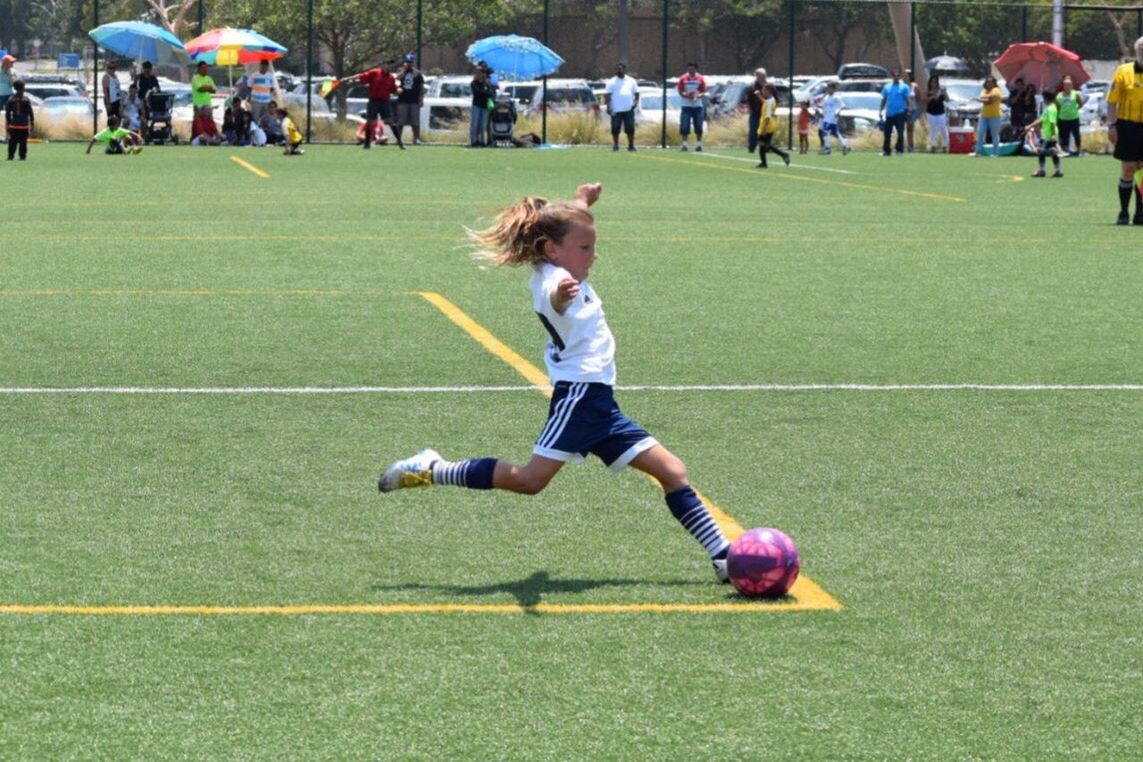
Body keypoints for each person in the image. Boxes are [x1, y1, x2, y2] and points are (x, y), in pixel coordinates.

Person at [377, 182, 734, 584]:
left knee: (672, 471)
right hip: (579, 397)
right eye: (585, 249)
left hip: (601, 403)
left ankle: (723, 557)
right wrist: (564, 294)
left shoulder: (560, 254)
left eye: (592, 247)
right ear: (551, 250)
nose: (593, 255)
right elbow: (555, 299)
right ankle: (431, 468)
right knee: (530, 481)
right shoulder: (551, 283)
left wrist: (583, 201)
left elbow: (572, 226)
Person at [1106, 35, 1143, 225]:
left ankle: (1140, 213)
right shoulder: (1123, 72)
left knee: (1142, 171)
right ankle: (1123, 212)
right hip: (1127, 126)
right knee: (1129, 168)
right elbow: (1112, 102)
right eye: (1142, 50)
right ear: (1137, 51)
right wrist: (1111, 125)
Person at [341, 58, 404, 149]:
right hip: (373, 101)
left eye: (390, 64)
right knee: (370, 122)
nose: (388, 66)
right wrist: (348, 78)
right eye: (387, 64)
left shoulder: (390, 78)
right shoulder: (375, 72)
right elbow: (361, 76)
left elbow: (393, 90)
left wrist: (399, 90)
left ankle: (400, 143)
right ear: (382, 64)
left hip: (384, 102)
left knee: (390, 121)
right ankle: (367, 144)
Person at [1025, 89, 1063, 179]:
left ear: (1046, 98)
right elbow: (1041, 119)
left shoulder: (1050, 109)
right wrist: (1030, 125)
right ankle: (1058, 170)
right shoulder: (1050, 107)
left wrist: (1053, 134)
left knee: (1041, 151)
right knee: (1051, 152)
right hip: (1047, 133)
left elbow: (1052, 122)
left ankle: (1042, 170)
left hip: (1049, 134)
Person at [603, 62, 639, 152]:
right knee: (615, 128)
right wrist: (608, 107)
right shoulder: (611, 82)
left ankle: (631, 146)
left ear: (624, 69)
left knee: (630, 128)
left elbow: (637, 93)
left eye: (621, 69)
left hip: (628, 109)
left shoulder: (631, 81)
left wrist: (635, 102)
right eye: (617, 69)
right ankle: (615, 145)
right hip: (616, 109)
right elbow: (607, 95)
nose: (619, 70)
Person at [756, 82, 790, 168]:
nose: (763, 91)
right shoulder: (770, 100)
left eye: (764, 90)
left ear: (769, 91)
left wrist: (763, 129)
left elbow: (767, 117)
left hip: (767, 126)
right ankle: (783, 155)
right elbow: (765, 103)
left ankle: (764, 163)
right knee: (765, 145)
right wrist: (759, 96)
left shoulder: (770, 102)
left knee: (762, 144)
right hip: (770, 126)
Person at [395, 53, 425, 145]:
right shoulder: (401, 72)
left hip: (414, 100)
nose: (409, 64)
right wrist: (404, 70)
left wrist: (421, 99)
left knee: (415, 121)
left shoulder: (417, 73)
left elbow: (421, 87)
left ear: (413, 63)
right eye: (407, 62)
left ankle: (416, 139)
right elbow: (396, 80)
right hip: (403, 100)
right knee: (401, 121)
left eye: (410, 62)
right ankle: (398, 139)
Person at [879, 69, 911, 156]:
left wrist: (908, 110)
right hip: (889, 113)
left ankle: (899, 150)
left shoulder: (904, 87)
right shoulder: (887, 87)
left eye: (898, 76)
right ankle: (886, 151)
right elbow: (884, 99)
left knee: (900, 133)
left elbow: (907, 100)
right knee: (887, 133)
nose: (896, 77)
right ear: (892, 76)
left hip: (900, 113)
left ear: (900, 76)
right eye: (894, 76)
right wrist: (881, 110)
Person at [676, 62, 707, 151]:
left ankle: (698, 144)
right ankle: (684, 144)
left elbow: (703, 91)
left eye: (692, 69)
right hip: (686, 106)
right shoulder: (683, 78)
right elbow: (680, 90)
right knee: (685, 125)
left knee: (698, 125)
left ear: (696, 69)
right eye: (689, 69)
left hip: (697, 106)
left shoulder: (700, 78)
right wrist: (687, 95)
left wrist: (698, 96)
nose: (690, 71)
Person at [237, 59, 278, 124]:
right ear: (260, 66)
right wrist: (254, 94)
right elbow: (249, 86)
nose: (264, 68)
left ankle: (263, 132)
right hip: (256, 101)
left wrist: (266, 93)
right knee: (255, 118)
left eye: (266, 67)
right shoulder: (254, 75)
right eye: (263, 66)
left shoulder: (270, 76)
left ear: (267, 67)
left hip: (266, 101)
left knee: (264, 119)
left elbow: (273, 88)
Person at [817, 82, 851, 155]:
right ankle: (846, 146)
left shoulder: (836, 98)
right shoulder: (826, 97)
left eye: (830, 88)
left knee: (825, 132)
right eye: (828, 88)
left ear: (834, 89)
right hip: (826, 118)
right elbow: (820, 105)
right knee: (836, 133)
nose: (829, 90)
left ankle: (827, 148)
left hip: (832, 118)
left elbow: (842, 106)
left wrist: (838, 112)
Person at [1054, 76, 1084, 156]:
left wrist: (1075, 109)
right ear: (1063, 86)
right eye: (1066, 85)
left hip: (1074, 118)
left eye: (1069, 85)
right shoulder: (1059, 95)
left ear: (1072, 86)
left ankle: (1078, 150)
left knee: (1076, 135)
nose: (1067, 86)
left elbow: (1081, 103)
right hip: (1063, 119)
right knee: (1064, 136)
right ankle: (1065, 151)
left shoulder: (1075, 94)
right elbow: (1057, 107)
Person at [4, 79, 34, 160]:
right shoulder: (26, 99)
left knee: (12, 141)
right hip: (24, 125)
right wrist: (32, 123)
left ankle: (10, 156)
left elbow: (7, 113)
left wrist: (9, 123)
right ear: (23, 88)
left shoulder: (11, 99)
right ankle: (22, 156)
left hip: (14, 124)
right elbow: (30, 112)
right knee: (23, 142)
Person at [468, 65, 496, 147]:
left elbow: (491, 93)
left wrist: (486, 92)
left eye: (481, 73)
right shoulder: (474, 83)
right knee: (475, 124)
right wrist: (485, 92)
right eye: (477, 73)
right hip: (476, 105)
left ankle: (482, 141)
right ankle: (474, 141)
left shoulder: (486, 83)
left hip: (484, 106)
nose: (479, 74)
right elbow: (477, 92)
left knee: (482, 125)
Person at [975, 75, 1003, 157]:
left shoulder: (996, 90)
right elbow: (985, 99)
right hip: (984, 116)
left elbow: (990, 101)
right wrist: (986, 99)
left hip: (995, 116)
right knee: (980, 132)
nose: (989, 84)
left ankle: (995, 153)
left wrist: (982, 100)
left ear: (994, 83)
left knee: (994, 135)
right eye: (987, 82)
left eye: (990, 82)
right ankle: (978, 152)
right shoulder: (984, 91)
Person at [925, 75, 949, 152]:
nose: (933, 83)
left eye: (935, 82)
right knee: (933, 129)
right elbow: (925, 101)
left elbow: (947, 99)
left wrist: (945, 92)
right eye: (932, 82)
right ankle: (933, 145)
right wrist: (932, 96)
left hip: (941, 112)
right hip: (931, 112)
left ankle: (945, 145)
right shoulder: (928, 91)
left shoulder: (940, 91)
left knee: (943, 128)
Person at [135, 60, 160, 133]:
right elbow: (135, 89)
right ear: (143, 68)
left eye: (149, 68)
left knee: (148, 117)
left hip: (151, 101)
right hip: (141, 100)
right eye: (145, 68)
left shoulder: (153, 78)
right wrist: (136, 80)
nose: (147, 69)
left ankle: (148, 132)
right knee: (142, 117)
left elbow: (157, 89)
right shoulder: (140, 78)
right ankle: (143, 133)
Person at [746, 68, 767, 153]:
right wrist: (750, 108)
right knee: (753, 131)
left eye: (761, 75)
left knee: (766, 131)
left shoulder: (768, 86)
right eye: (758, 75)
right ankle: (752, 147)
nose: (759, 77)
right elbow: (749, 99)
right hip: (755, 113)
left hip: (766, 113)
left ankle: (765, 147)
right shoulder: (752, 86)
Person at [904, 70, 920, 152]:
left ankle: (911, 146)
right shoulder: (901, 85)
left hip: (912, 110)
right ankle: (902, 145)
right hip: (903, 109)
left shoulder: (914, 86)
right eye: (905, 75)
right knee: (902, 129)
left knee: (910, 128)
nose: (906, 77)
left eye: (908, 75)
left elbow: (918, 98)